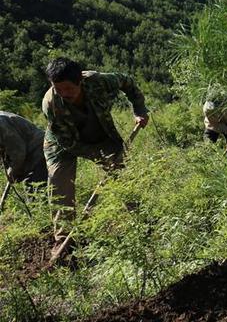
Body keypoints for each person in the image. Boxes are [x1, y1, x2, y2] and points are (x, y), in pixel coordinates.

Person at [42, 57, 149, 257]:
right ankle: (64, 241)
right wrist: (98, 156)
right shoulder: (51, 104)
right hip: (62, 143)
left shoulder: (99, 81)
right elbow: (68, 143)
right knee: (59, 183)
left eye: (68, 89)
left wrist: (139, 110)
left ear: (79, 81)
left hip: (99, 132)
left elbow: (128, 82)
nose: (63, 94)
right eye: (58, 89)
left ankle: (141, 222)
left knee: (122, 174)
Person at [0, 111, 47, 188]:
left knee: (35, 190)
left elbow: (18, 154)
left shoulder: (2, 124)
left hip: (38, 151)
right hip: (27, 156)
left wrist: (10, 174)